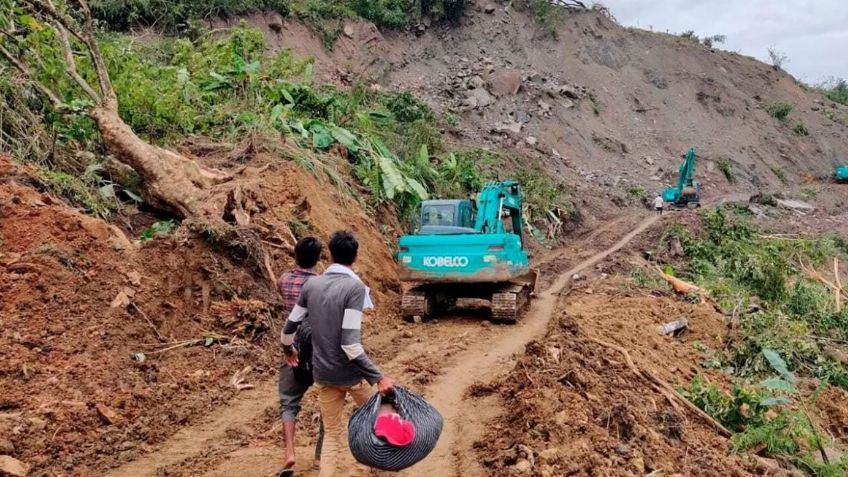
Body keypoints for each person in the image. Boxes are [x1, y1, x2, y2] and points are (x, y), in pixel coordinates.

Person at [281, 230, 396, 477]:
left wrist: (288, 348)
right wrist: (379, 377)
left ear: (330, 255)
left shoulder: (312, 285)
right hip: (352, 376)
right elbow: (351, 345)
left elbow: (289, 327)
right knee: (377, 419)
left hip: (323, 375)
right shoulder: (354, 288)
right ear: (356, 257)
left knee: (332, 435)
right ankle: (370, 469)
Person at [276, 236, 324, 477]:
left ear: (295, 255)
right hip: (319, 352)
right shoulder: (321, 284)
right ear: (318, 259)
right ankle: (319, 457)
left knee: (288, 402)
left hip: (292, 350)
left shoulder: (283, 280)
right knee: (329, 400)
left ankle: (290, 453)